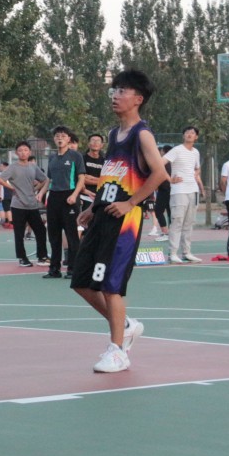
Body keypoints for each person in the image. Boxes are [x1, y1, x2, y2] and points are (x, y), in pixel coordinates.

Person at [69, 70, 168, 373]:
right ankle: (125, 326)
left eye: (122, 91)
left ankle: (118, 351)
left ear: (138, 99)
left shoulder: (142, 135)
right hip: (102, 215)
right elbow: (112, 175)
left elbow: (160, 174)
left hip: (124, 221)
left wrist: (131, 202)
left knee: (112, 286)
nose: (115, 95)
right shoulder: (114, 135)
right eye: (114, 90)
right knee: (81, 281)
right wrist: (94, 207)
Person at [0, 141, 48, 267]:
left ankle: (42, 256)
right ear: (16, 153)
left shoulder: (33, 166)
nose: (23, 153)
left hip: (32, 204)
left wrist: (37, 189)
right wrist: (12, 188)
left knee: (41, 230)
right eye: (20, 150)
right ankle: (22, 258)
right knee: (19, 233)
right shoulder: (13, 167)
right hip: (18, 205)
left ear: (29, 152)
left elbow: (45, 180)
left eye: (25, 150)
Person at [42, 126, 84, 279]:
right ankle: (54, 269)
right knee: (53, 235)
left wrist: (74, 195)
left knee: (72, 235)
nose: (60, 138)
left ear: (68, 139)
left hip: (69, 196)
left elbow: (81, 178)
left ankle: (73, 269)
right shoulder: (52, 158)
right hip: (54, 197)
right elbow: (49, 179)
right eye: (57, 136)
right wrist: (41, 193)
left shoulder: (75, 156)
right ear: (54, 139)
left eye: (63, 136)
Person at [165, 126, 204, 263]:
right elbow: (160, 163)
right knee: (177, 221)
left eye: (192, 133)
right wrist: (170, 179)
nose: (189, 134)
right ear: (183, 136)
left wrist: (196, 176)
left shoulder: (196, 152)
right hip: (179, 191)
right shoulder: (176, 150)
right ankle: (172, 253)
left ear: (196, 137)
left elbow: (197, 168)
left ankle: (186, 252)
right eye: (187, 132)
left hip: (193, 190)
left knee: (189, 223)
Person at [152, 146, 173, 242]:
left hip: (165, 189)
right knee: (170, 212)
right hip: (170, 189)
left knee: (158, 211)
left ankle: (165, 233)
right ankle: (170, 233)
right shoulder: (172, 163)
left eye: (161, 151)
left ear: (164, 152)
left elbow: (159, 175)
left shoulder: (163, 162)